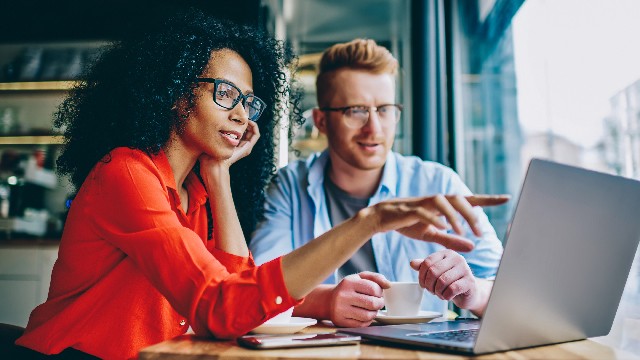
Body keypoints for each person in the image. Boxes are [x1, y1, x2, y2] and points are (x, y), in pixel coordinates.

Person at [14, 11, 506, 358]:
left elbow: (238, 294)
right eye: (224, 93)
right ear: (172, 92)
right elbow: (223, 306)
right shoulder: (127, 174)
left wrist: (221, 174)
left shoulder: (197, 191)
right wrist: (369, 222)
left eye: (248, 102)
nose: (239, 113)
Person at [250, 39, 506, 328]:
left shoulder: (438, 183)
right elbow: (257, 288)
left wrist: (472, 292)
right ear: (321, 121)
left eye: (384, 109)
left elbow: (509, 289)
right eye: (356, 111)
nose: (374, 128)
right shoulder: (289, 186)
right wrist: (326, 301)